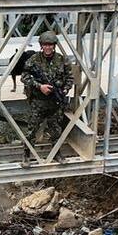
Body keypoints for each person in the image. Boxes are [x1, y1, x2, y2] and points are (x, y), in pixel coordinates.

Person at [20, 31, 73, 165]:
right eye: (45, 45)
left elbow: (70, 77)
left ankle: (57, 153)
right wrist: (39, 86)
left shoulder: (62, 60)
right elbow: (24, 77)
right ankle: (26, 155)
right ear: (41, 45)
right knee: (32, 130)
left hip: (55, 102)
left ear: (54, 46)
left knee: (56, 130)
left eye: (50, 45)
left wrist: (65, 89)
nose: (48, 47)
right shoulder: (34, 60)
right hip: (38, 102)